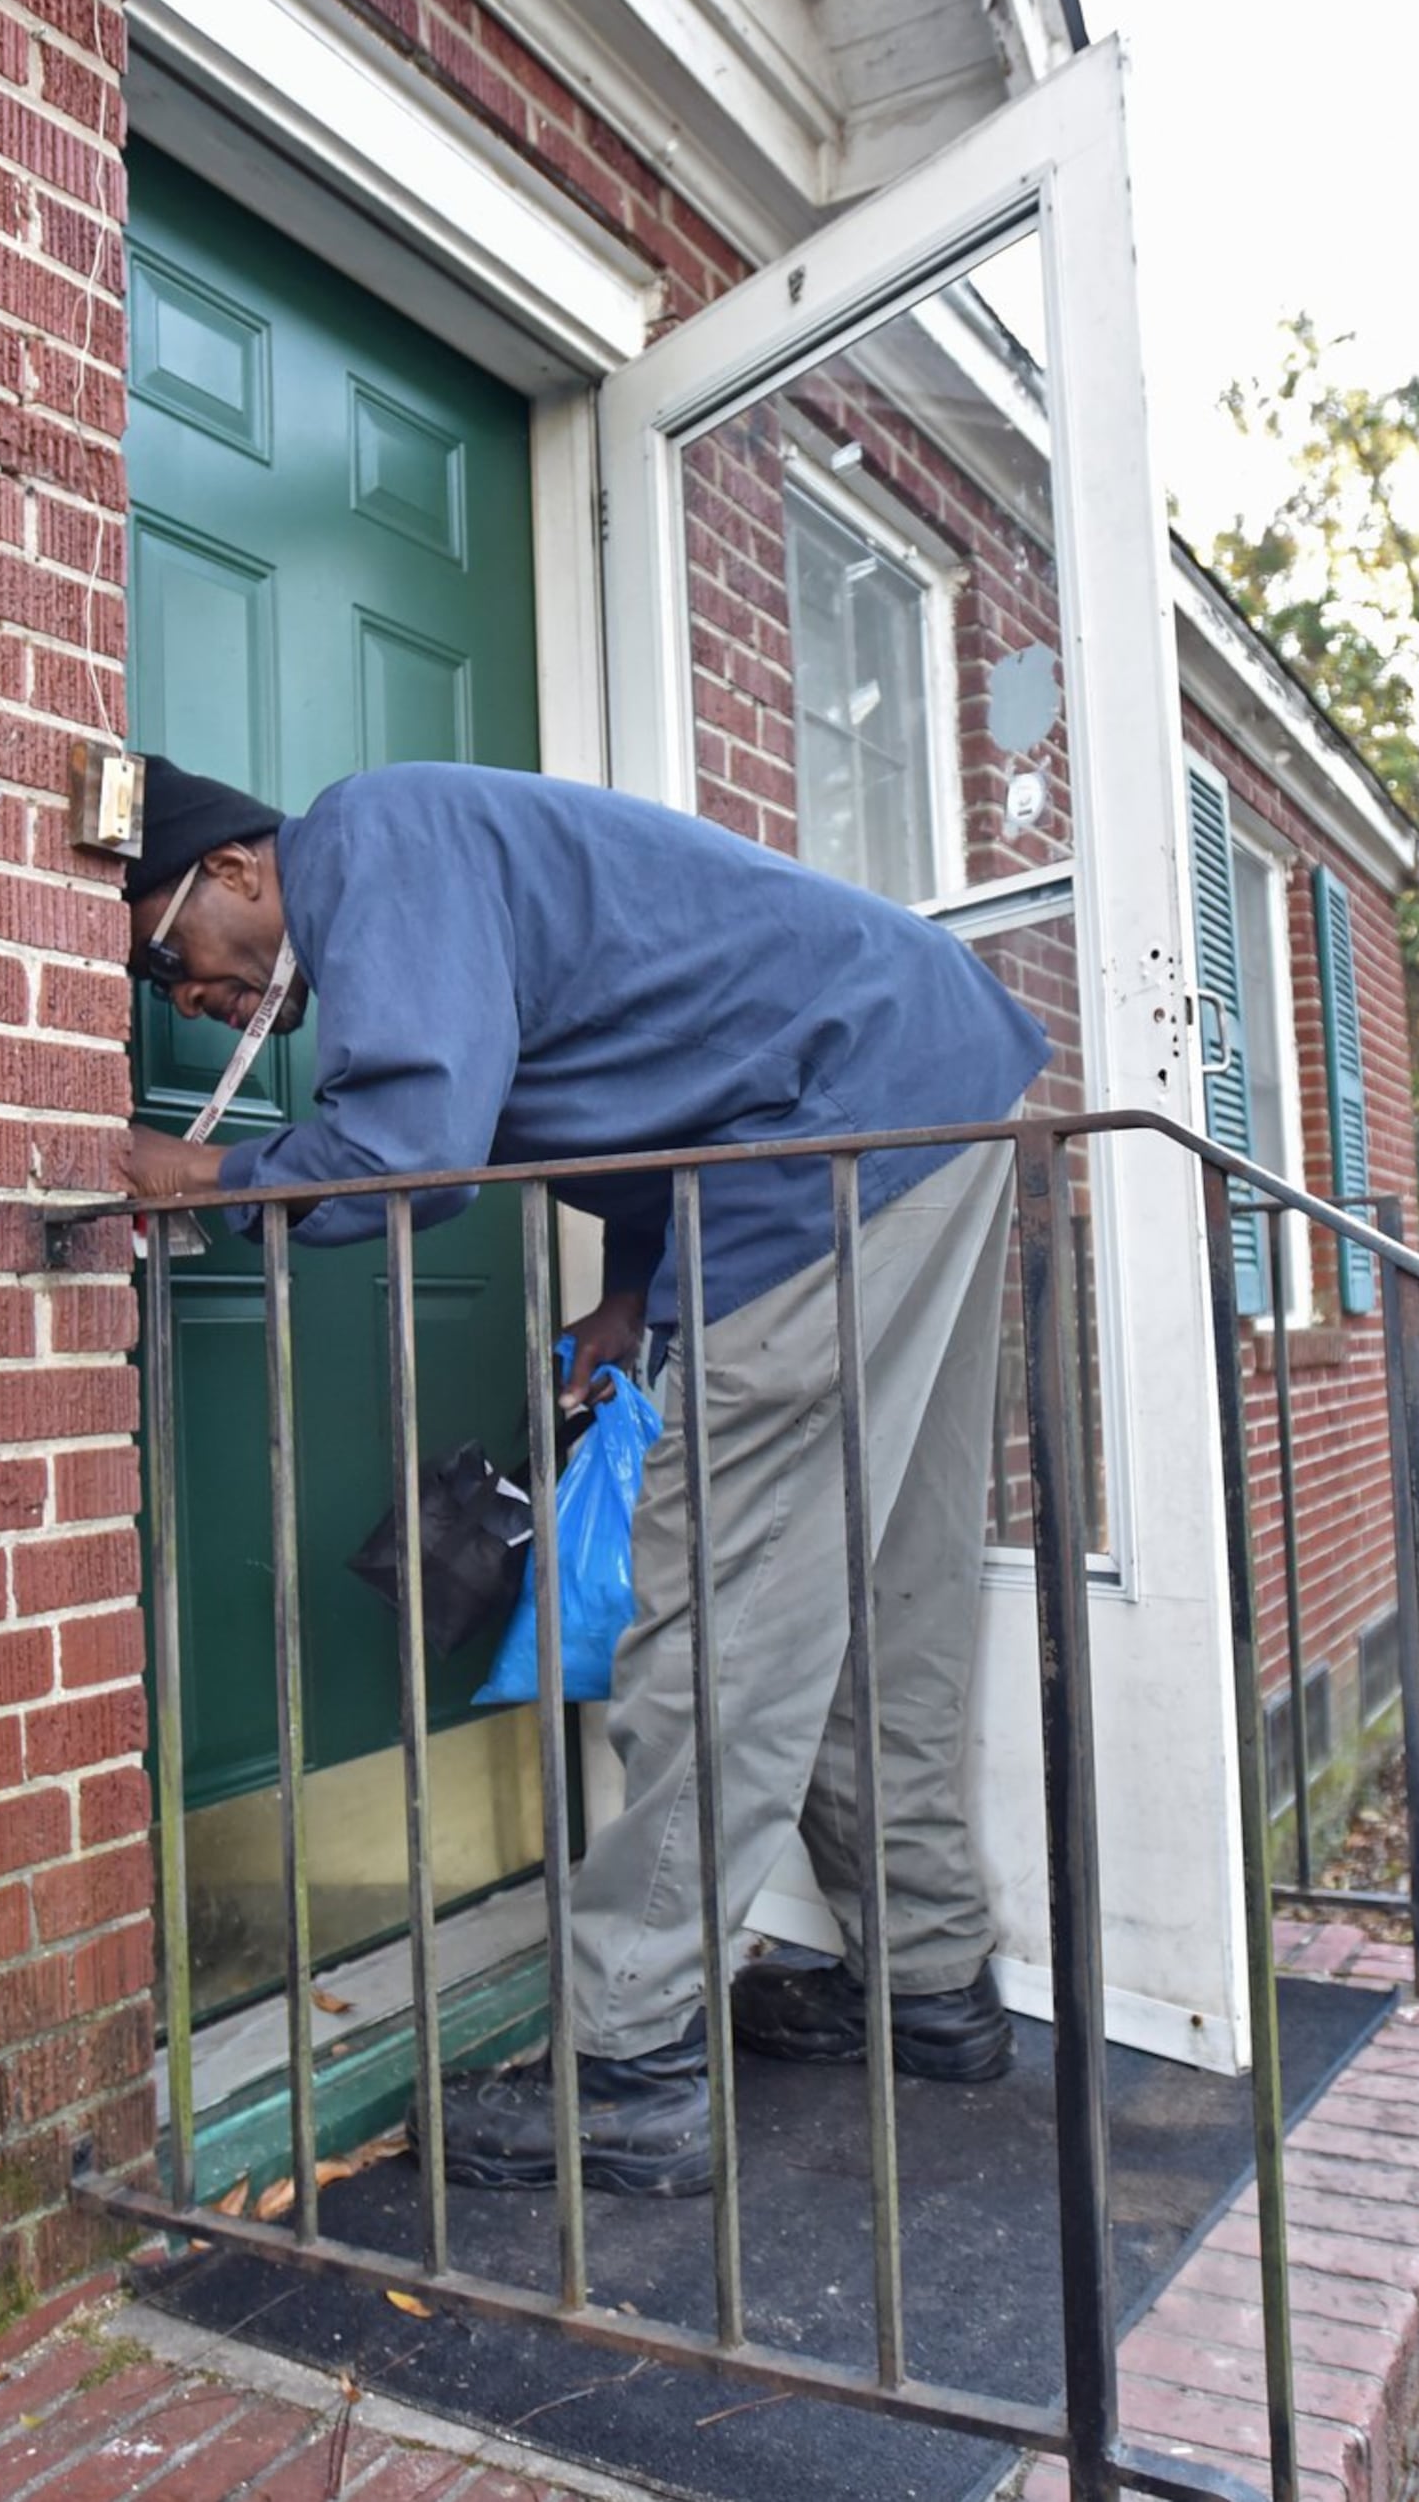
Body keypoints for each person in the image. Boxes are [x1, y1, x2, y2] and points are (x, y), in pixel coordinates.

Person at [119, 752, 1048, 2195]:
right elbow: (655, 1062)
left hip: (829, 1138)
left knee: (719, 1610)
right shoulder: (437, 852)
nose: (193, 1000)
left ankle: (631, 2064)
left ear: (236, 870)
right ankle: (927, 1988)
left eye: (176, 958)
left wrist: (204, 1180)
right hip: (928, 1085)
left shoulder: (363, 835)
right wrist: (632, 1290)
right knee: (878, 1585)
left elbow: (408, 1151)